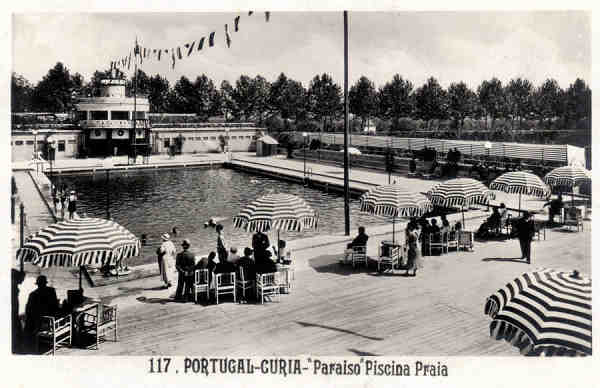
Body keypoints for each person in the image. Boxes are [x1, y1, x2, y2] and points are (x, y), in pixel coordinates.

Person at [24, 276, 60, 346]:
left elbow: (28, 308)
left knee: (29, 318)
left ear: (37, 284)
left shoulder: (33, 294)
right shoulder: (51, 290)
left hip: (38, 318)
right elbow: (55, 304)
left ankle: (29, 338)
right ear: (45, 283)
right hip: (50, 316)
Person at [12, 269, 25, 354]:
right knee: (16, 328)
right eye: (21, 279)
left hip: (14, 310)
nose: (22, 281)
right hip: (13, 310)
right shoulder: (13, 286)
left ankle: (17, 346)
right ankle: (17, 347)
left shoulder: (13, 284)